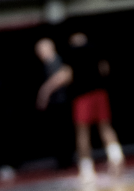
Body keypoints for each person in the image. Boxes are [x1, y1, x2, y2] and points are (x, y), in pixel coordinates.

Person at [64, 30, 125, 182]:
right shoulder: (95, 48)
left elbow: (68, 75)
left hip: (82, 96)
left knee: (82, 131)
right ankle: (117, 159)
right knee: (105, 127)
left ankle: (86, 170)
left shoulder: (71, 52)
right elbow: (104, 69)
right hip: (99, 93)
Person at [33, 36, 74, 171]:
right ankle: (62, 160)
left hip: (62, 102)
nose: (39, 52)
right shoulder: (44, 65)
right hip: (53, 104)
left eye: (41, 49)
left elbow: (65, 76)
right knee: (56, 133)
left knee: (65, 131)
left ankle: (68, 159)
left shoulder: (59, 61)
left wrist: (45, 91)